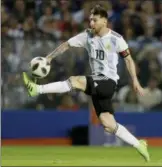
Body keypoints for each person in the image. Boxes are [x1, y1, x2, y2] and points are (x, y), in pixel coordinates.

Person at [23, 4, 150, 161]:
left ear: (104, 21)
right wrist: (48, 58)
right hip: (97, 81)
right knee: (108, 123)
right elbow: (66, 45)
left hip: (108, 82)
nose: (91, 23)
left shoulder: (116, 39)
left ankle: (37, 89)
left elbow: (129, 60)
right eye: (90, 20)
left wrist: (135, 81)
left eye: (95, 20)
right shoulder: (87, 36)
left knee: (75, 81)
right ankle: (139, 144)